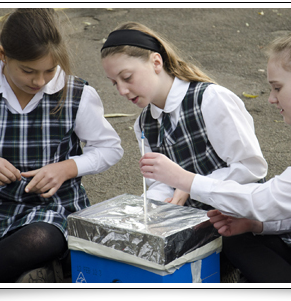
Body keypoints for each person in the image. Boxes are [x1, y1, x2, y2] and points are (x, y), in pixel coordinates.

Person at [139, 21, 291, 283]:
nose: (270, 98)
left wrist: (184, 179)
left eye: (277, 87)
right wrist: (256, 225)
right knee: (235, 236)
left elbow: (265, 200)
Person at [0, 8, 123, 283]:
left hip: (52, 210)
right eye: (28, 71)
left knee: (39, 240)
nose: (39, 81)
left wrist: (67, 168)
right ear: (3, 55)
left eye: (49, 71)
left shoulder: (77, 93)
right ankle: (10, 271)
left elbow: (110, 148)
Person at [101, 21, 267, 211]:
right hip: (190, 225)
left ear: (156, 62)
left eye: (127, 77)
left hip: (240, 217)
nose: (121, 90)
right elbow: (159, 183)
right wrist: (144, 210)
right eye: (114, 83)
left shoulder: (211, 99)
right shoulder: (144, 123)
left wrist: (191, 184)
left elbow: (251, 168)